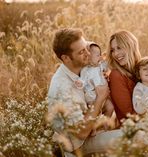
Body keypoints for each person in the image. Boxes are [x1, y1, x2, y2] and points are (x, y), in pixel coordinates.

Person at [47, 28, 122, 156]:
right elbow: (81, 133)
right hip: (77, 144)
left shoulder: (78, 63)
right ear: (66, 58)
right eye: (82, 51)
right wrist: (100, 98)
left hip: (94, 122)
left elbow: (92, 52)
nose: (88, 53)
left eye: (86, 47)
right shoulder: (63, 88)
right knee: (136, 137)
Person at [107, 30, 142, 123]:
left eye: (119, 48)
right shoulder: (116, 75)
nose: (116, 54)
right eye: (112, 50)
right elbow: (129, 114)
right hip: (133, 129)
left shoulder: (144, 68)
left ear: (131, 46)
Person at [80, 41, 114, 118]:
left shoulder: (101, 65)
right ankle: (95, 127)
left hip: (104, 95)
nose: (100, 56)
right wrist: (80, 83)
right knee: (95, 112)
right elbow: (83, 80)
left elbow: (109, 65)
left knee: (110, 107)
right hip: (92, 97)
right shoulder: (85, 70)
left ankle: (105, 125)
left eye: (100, 54)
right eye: (98, 55)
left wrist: (108, 71)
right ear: (88, 57)